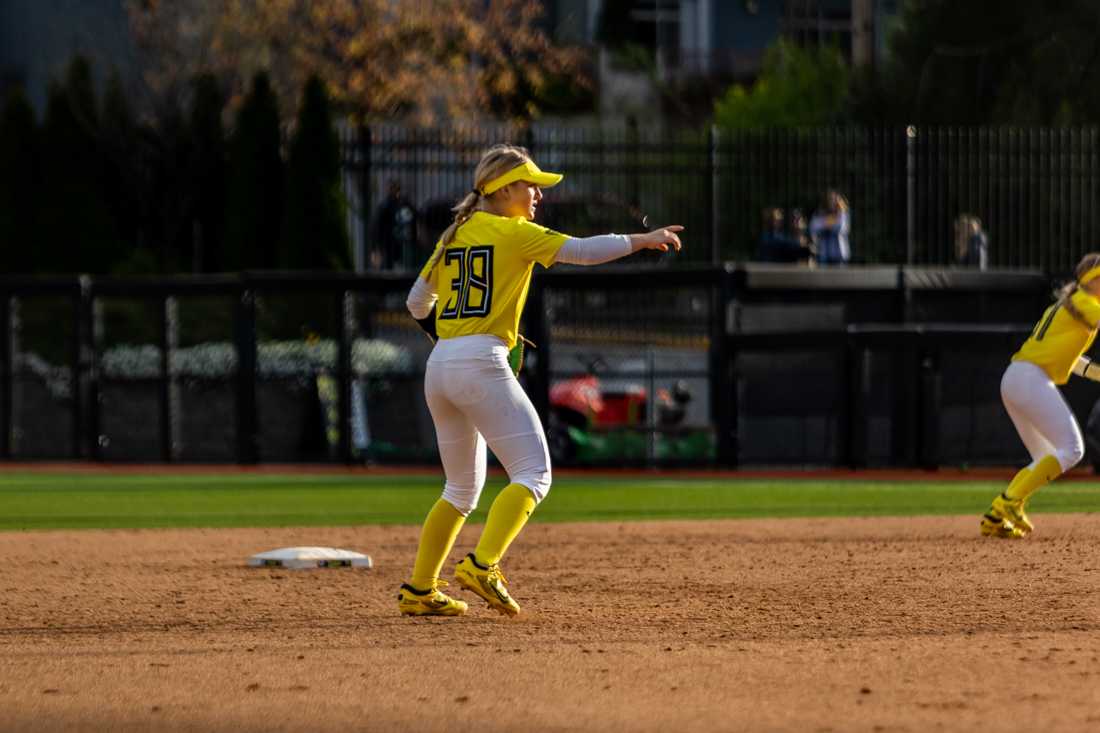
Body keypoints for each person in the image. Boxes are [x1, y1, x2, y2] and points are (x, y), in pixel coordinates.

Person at [398, 144, 683, 616]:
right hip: (480, 361)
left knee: (460, 489)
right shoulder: (514, 232)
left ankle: (420, 589)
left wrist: (452, 342)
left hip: (441, 365)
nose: (538, 195)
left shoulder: (455, 234)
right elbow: (582, 252)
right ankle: (482, 565)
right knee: (535, 473)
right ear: (504, 188)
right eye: (532, 185)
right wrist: (643, 239)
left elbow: (415, 304)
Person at [982, 252, 1100, 538]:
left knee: (1045, 456)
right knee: (1072, 450)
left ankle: (998, 517)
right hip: (1030, 379)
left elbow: (1076, 363)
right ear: (1094, 280)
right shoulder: (1086, 302)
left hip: (1017, 378)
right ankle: (1007, 502)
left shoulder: (1071, 305)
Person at [372, 179, 418, 270]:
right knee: (389, 265)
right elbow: (378, 226)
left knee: (405, 264)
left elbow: (414, 215)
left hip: (401, 241)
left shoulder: (403, 202)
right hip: (389, 241)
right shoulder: (386, 205)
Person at [809, 189, 850, 265]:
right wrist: (829, 223)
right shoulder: (819, 213)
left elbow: (840, 228)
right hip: (823, 254)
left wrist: (825, 223)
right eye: (830, 199)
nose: (832, 202)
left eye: (835, 199)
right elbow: (814, 227)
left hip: (839, 255)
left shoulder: (843, 214)